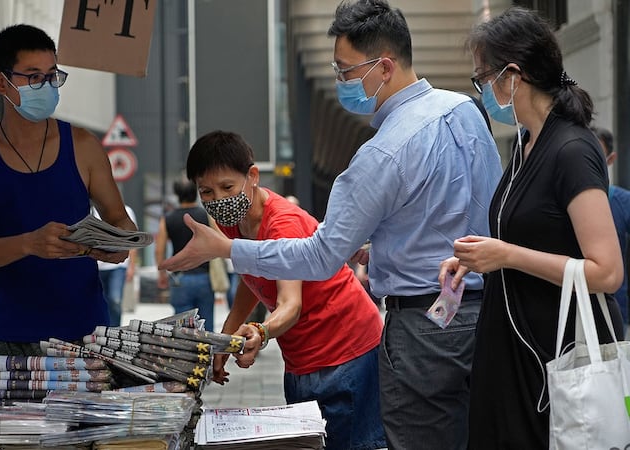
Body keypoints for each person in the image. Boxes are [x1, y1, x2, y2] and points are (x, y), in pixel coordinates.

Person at [160, 1, 502, 448]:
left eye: (345, 71)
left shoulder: (382, 153)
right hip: (483, 315)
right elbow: (471, 215)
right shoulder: (465, 111)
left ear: (384, 67)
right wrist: (383, 249)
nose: (340, 81)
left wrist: (226, 250)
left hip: (424, 329)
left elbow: (319, 257)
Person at [437, 8, 624, 448]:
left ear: (512, 76)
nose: (483, 91)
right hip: (515, 349)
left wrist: (506, 255)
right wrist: (482, 257)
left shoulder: (572, 149)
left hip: (553, 357)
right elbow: (531, 235)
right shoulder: (526, 144)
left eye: (483, 78)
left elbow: (607, 271)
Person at [0, 24, 136, 361]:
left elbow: (120, 219)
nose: (47, 86)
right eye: (34, 77)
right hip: (9, 334)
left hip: (85, 331)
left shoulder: (83, 146)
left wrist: (118, 244)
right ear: (1, 82)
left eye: (52, 76)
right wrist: (29, 243)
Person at [190, 130, 386, 450]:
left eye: (227, 187)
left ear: (253, 176)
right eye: (206, 192)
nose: (218, 200)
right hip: (300, 357)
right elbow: (252, 277)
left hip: (345, 351)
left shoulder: (283, 225)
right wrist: (225, 340)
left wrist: (260, 331)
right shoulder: (232, 221)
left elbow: (290, 304)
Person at [155, 179, 215, 332]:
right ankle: (208, 347)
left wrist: (161, 274)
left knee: (182, 327)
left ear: (177, 195)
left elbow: (159, 249)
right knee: (206, 324)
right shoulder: (206, 215)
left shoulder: (167, 218)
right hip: (204, 276)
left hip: (179, 278)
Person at [593, 126, 630, 327]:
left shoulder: (623, 202)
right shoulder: (559, 201)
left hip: (614, 306)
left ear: (611, 159)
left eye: (597, 155)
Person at [92, 204, 138, 327]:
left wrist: (132, 266)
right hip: (98, 265)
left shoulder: (127, 211)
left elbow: (133, 239)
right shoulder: (92, 211)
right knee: (99, 301)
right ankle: (103, 328)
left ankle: (115, 329)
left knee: (115, 299)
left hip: (118, 266)